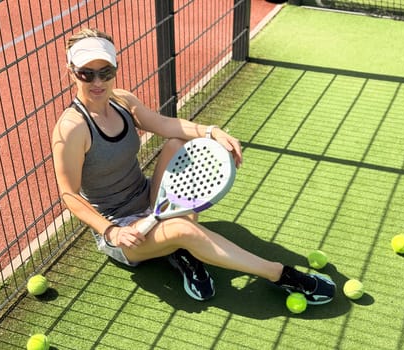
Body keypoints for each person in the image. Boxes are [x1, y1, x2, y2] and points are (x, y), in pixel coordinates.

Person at [52, 28, 335, 304]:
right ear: (71, 71)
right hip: (124, 230)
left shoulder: (122, 100)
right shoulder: (72, 128)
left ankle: (179, 251)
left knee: (176, 144)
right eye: (86, 74)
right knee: (185, 231)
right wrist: (111, 231)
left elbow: (165, 124)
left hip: (150, 199)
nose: (97, 81)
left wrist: (211, 131)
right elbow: (69, 194)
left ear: (115, 68)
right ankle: (280, 274)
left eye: (106, 72)